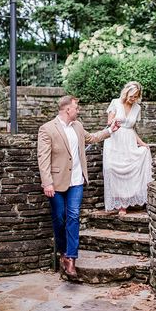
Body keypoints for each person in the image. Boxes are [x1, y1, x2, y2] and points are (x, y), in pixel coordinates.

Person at [37, 95, 120, 278]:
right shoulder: (47, 129)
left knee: (73, 216)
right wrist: (47, 182)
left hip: (77, 180)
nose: (79, 110)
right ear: (68, 109)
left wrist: (110, 130)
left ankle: (71, 259)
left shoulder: (78, 126)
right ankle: (63, 251)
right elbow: (42, 158)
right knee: (59, 218)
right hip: (56, 183)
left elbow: (91, 138)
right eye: (77, 107)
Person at [103, 81, 153, 215]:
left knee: (130, 168)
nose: (133, 99)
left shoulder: (137, 108)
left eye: (136, 96)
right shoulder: (115, 103)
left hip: (129, 140)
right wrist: (113, 122)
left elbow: (131, 128)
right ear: (126, 93)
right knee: (113, 169)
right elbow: (109, 122)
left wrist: (141, 143)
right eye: (131, 96)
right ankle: (119, 203)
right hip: (114, 139)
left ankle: (126, 203)